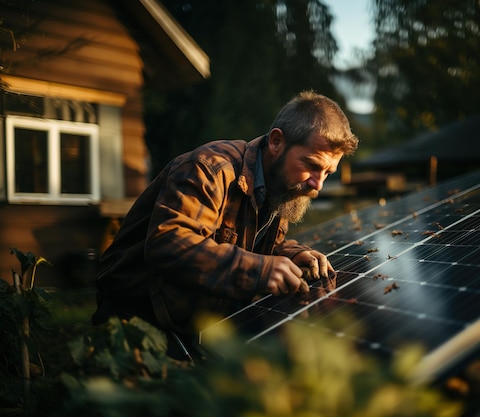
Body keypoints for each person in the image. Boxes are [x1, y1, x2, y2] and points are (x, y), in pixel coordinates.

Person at [92, 90, 359, 360]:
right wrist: (260, 270)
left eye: (327, 173)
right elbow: (168, 244)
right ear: (277, 141)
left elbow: (250, 243)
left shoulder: (281, 186)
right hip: (135, 320)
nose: (318, 185)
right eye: (312, 165)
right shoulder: (209, 170)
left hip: (193, 317)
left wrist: (291, 254)